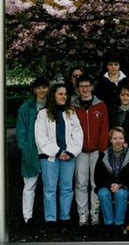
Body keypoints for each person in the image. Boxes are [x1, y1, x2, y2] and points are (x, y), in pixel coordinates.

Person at [34, 83, 83, 226]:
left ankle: (65, 217)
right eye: (60, 94)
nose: (64, 96)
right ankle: (50, 219)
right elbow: (40, 137)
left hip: (68, 156)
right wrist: (57, 152)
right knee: (49, 188)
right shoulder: (43, 114)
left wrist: (69, 152)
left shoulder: (71, 113)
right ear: (53, 96)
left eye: (65, 94)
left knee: (67, 187)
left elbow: (78, 134)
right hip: (50, 157)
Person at [71, 75, 109, 226]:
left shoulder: (100, 105)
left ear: (92, 87)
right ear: (77, 89)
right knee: (80, 183)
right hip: (79, 151)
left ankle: (95, 213)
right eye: (82, 87)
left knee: (95, 183)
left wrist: (102, 150)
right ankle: (82, 213)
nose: (85, 89)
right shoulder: (73, 106)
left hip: (95, 151)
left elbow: (104, 129)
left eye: (87, 86)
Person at [16, 77, 49, 225]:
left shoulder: (52, 105)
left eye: (44, 87)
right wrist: (24, 147)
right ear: (34, 90)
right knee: (29, 184)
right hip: (31, 149)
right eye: (38, 88)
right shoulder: (26, 107)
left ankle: (49, 216)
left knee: (50, 185)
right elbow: (21, 129)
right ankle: (27, 217)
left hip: (48, 149)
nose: (41, 91)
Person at [94, 127, 129, 240]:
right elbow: (97, 177)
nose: (118, 141)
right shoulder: (103, 156)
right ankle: (108, 224)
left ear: (124, 139)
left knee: (120, 194)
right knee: (102, 194)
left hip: (125, 187)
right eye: (115, 138)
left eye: (120, 138)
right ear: (110, 140)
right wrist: (110, 185)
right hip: (107, 186)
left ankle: (118, 225)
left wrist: (120, 185)